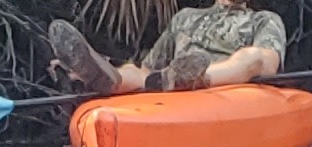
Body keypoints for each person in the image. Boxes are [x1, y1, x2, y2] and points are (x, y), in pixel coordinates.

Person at [42, 0, 287, 94]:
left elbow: (268, 64)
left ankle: (196, 79)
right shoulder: (186, 17)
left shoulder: (263, 20)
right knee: (139, 71)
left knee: (254, 56)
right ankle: (104, 76)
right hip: (174, 84)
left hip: (224, 84)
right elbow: (149, 71)